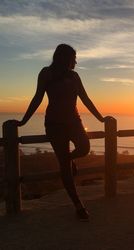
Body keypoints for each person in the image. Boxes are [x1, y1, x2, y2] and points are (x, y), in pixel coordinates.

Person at [15, 44, 109, 221]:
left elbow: (85, 98)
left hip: (74, 121)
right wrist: (23, 121)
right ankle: (78, 205)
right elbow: (37, 98)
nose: (76, 61)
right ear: (65, 58)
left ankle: (69, 158)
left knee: (84, 147)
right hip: (54, 124)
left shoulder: (74, 76)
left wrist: (101, 119)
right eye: (74, 57)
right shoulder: (46, 73)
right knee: (64, 167)